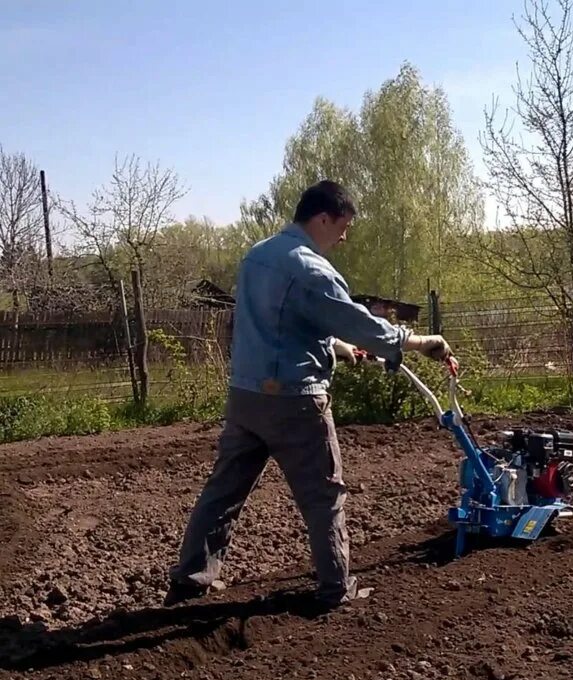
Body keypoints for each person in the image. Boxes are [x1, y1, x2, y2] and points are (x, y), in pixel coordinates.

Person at [164, 180, 452, 608]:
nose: (345, 235)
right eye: (343, 225)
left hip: (246, 397)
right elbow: (363, 325)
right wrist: (420, 341)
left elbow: (275, 323)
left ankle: (191, 578)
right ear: (322, 218)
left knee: (223, 492)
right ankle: (336, 589)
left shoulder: (256, 257)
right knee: (324, 495)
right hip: (296, 401)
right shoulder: (311, 268)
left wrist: (333, 347)